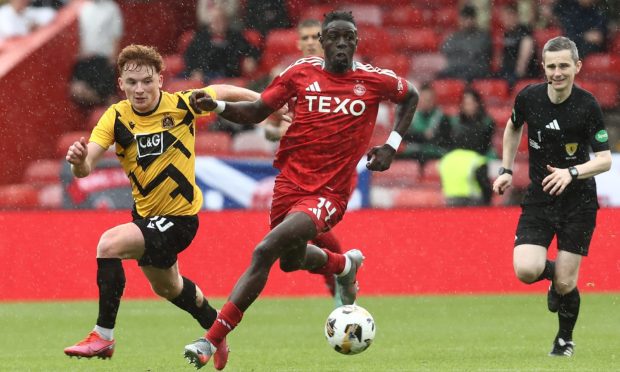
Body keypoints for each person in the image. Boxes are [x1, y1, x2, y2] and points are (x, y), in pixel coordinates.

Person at [182, 11, 419, 369]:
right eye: (334, 37)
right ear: (323, 42)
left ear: (356, 42)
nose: (341, 43)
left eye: (348, 37)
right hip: (289, 185)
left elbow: (411, 95)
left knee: (264, 251)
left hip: (329, 193)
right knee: (290, 261)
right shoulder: (300, 73)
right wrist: (216, 106)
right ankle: (343, 264)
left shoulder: (372, 79)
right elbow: (258, 111)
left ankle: (210, 339)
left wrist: (392, 144)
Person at [62, 44, 274, 369]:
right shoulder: (115, 117)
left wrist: (264, 102)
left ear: (160, 79)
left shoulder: (181, 105)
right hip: (146, 218)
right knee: (169, 287)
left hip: (180, 219)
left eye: (147, 81)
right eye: (131, 83)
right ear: (121, 84)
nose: (140, 89)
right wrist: (78, 163)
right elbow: (86, 165)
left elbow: (221, 91)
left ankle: (102, 336)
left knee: (109, 244)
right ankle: (216, 330)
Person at [493, 36, 612, 357]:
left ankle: (564, 340)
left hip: (579, 203)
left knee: (565, 284)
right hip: (540, 198)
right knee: (526, 270)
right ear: (543, 67)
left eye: (564, 66)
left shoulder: (587, 106)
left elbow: (605, 160)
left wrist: (571, 173)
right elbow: (512, 127)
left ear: (577, 67)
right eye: (551, 66)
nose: (557, 72)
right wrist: (505, 170)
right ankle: (554, 276)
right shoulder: (529, 98)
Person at [262, 18, 345, 305]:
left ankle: (339, 276)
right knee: (294, 238)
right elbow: (268, 126)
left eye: (316, 37)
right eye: (306, 37)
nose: (311, 41)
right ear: (298, 43)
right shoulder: (289, 75)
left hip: (328, 166)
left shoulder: (339, 73)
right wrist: (281, 132)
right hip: (296, 167)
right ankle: (340, 271)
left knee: (314, 229)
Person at [439, 88, 495, 207]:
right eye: (465, 103)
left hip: (453, 203)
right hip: (473, 202)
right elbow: (486, 190)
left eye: (471, 103)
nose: (468, 107)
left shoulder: (487, 123)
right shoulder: (475, 161)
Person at [69, 0, 123, 109]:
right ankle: (103, 106)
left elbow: (116, 34)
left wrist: (113, 57)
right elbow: (83, 35)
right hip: (87, 59)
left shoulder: (112, 8)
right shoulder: (85, 9)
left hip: (104, 59)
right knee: (77, 90)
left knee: (110, 96)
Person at [184, 5, 259, 83]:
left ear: (226, 22)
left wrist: (250, 58)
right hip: (205, 74)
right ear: (210, 22)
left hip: (228, 74)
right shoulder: (200, 37)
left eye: (221, 20)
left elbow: (252, 50)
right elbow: (189, 56)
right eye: (215, 20)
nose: (218, 23)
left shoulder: (235, 36)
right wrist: (195, 70)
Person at [397, 82, 452, 172]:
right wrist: (423, 136)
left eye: (429, 99)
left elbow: (444, 138)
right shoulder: (411, 116)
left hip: (434, 154)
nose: (426, 101)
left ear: (434, 99)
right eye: (423, 98)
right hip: (414, 154)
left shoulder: (442, 117)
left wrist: (419, 137)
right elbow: (404, 136)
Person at [437, 4, 492, 82]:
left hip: (476, 69)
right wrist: (463, 51)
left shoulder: (483, 35)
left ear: (474, 19)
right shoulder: (456, 35)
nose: (467, 21)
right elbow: (445, 49)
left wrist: (459, 51)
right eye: (464, 18)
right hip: (456, 68)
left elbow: (474, 52)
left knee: (466, 76)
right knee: (440, 77)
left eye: (469, 18)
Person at [497, 3, 539, 87]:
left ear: (514, 16)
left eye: (507, 16)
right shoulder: (507, 34)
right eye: (503, 17)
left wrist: (518, 74)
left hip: (525, 74)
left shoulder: (524, 31)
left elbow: (524, 56)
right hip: (507, 72)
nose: (504, 20)